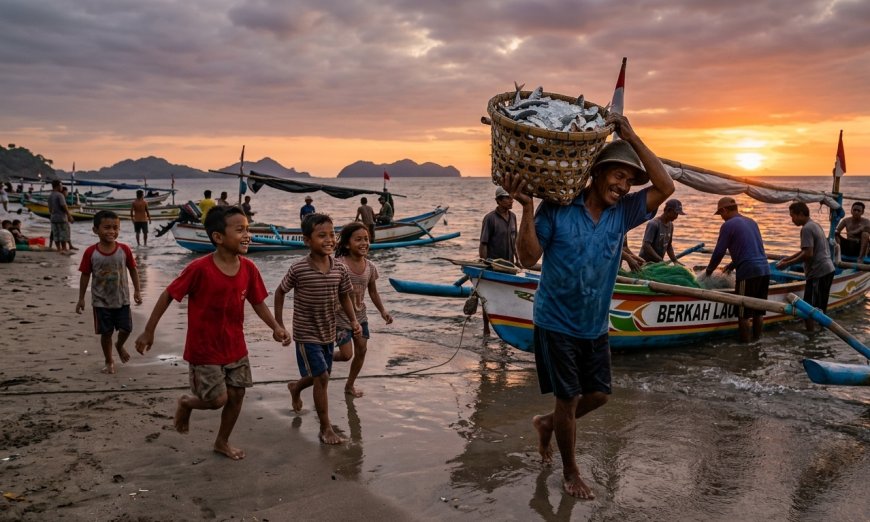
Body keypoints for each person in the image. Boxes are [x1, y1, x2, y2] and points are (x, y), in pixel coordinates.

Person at [504, 113, 674, 499]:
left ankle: (547, 423)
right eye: (618, 175)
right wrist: (527, 208)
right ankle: (570, 472)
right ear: (596, 173)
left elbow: (665, 186)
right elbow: (528, 258)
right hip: (555, 320)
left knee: (598, 395)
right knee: (568, 399)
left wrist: (631, 135)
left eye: (629, 180)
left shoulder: (624, 212)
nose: (623, 185)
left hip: (594, 324)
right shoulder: (558, 207)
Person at [135, 206, 289, 460]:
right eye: (240, 230)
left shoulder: (249, 268)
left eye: (248, 229)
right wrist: (149, 331)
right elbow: (168, 295)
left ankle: (222, 441)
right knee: (217, 400)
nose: (247, 235)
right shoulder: (200, 268)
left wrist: (276, 327)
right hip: (204, 349)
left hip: (235, 347)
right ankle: (187, 403)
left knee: (237, 395)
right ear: (218, 237)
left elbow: (258, 302)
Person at [274, 213, 361, 445]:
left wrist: (353, 321)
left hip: (328, 332)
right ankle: (325, 428)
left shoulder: (339, 269)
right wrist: (278, 325)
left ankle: (295, 388)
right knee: (322, 377)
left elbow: (344, 296)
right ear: (307, 240)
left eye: (332, 234)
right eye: (322, 235)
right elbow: (280, 292)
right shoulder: (299, 269)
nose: (329, 240)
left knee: (319, 376)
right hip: (306, 333)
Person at [75, 210, 143, 374]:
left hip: (122, 299)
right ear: (95, 230)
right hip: (101, 301)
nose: (112, 231)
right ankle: (109, 361)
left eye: (115, 228)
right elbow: (85, 275)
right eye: (107, 227)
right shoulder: (91, 252)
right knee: (106, 333)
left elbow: (133, 270)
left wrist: (137, 291)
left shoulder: (124, 250)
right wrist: (81, 298)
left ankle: (119, 345)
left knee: (126, 329)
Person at [333, 222, 393, 397]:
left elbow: (373, 292)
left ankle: (349, 385)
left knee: (362, 351)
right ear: (346, 244)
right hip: (340, 317)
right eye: (358, 239)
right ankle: (323, 356)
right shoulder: (339, 265)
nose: (364, 243)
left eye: (366, 239)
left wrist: (383, 311)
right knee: (346, 355)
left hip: (360, 316)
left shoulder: (370, 267)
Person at [704, 196, 770, 343]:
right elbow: (751, 250)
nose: (721, 218)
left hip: (748, 272)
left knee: (743, 313)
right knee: (758, 311)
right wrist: (732, 265)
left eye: (720, 214)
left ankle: (745, 346)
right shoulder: (752, 222)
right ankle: (757, 342)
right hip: (764, 269)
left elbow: (719, 252)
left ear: (724, 210)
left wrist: (708, 271)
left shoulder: (728, 225)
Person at [775, 202, 836, 332]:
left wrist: (787, 264)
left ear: (801, 214)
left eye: (793, 216)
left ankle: (811, 335)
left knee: (809, 308)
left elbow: (808, 254)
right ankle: (820, 333)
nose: (792, 220)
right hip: (827, 269)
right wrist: (788, 259)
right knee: (820, 305)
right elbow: (805, 250)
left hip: (818, 272)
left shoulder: (807, 229)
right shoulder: (815, 225)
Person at [640, 199, 686, 264]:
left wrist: (675, 261)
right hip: (645, 262)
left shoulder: (671, 225)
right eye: (675, 214)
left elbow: (669, 246)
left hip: (658, 262)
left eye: (677, 215)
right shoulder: (654, 224)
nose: (676, 217)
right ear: (668, 210)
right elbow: (646, 245)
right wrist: (660, 260)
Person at [479, 186, 518, 264]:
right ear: (498, 200)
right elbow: (483, 244)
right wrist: (485, 264)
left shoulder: (513, 217)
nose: (511, 201)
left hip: (510, 264)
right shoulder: (490, 218)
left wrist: (517, 259)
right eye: (508, 198)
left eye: (512, 198)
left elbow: (514, 241)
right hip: (494, 264)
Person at [47, 179, 74, 255]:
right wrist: (69, 216)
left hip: (53, 218)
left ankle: (58, 249)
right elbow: (64, 206)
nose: (62, 187)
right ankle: (64, 249)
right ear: (58, 186)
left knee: (56, 235)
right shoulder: (60, 195)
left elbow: (50, 209)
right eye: (61, 185)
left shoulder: (50, 196)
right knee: (63, 234)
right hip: (61, 218)